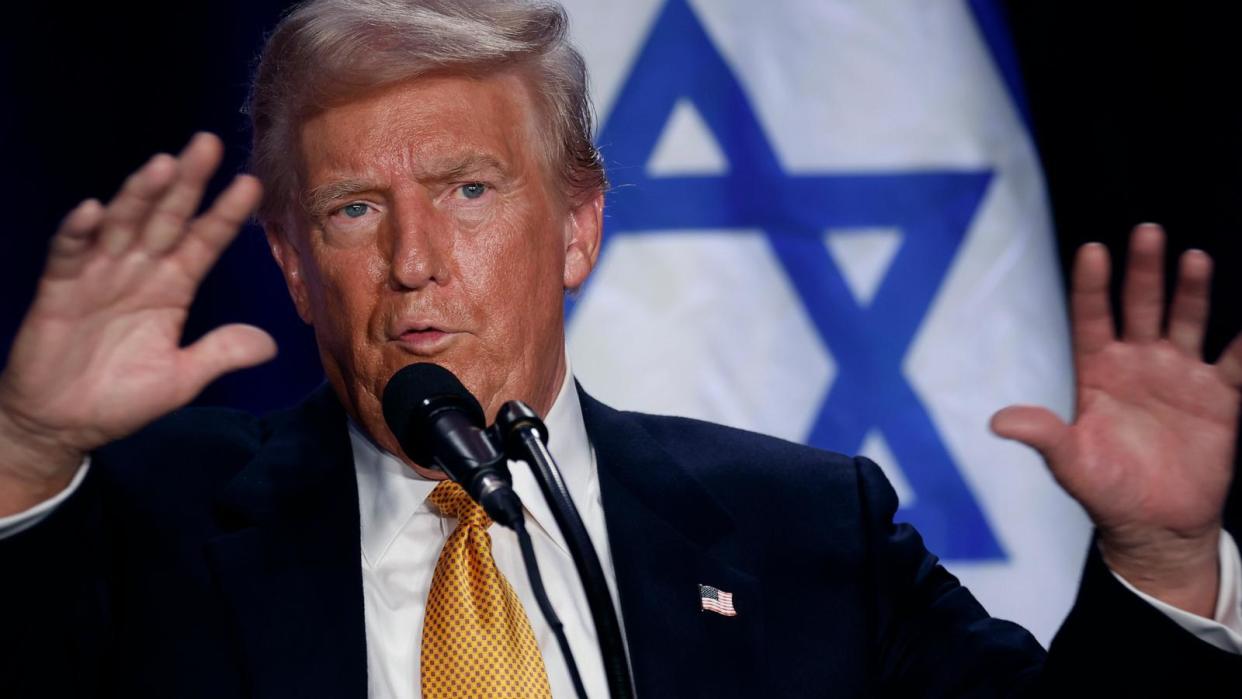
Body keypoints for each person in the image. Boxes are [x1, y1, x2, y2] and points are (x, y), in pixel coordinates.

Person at [1, 0, 1240, 696]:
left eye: (470, 189)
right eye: (353, 210)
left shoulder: (809, 533)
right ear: (290, 264)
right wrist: (22, 453)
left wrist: (1165, 562)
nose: (414, 259)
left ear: (579, 224)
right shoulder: (144, 521)